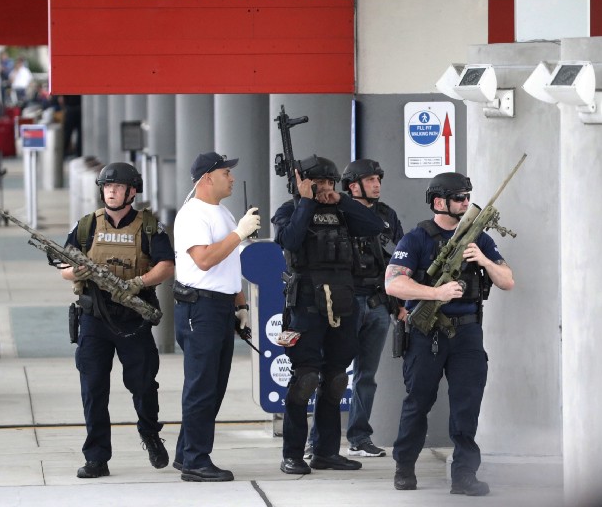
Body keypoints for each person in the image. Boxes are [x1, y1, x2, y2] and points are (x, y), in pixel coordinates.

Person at [384, 171, 514, 496]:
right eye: (459, 198)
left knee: (466, 406)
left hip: (468, 335)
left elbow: (507, 280)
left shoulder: (478, 238)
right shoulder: (417, 238)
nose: (466, 203)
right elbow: (393, 282)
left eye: (468, 197)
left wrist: (483, 259)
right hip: (427, 335)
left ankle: (464, 476)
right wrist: (435, 294)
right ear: (439, 201)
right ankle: (404, 467)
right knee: (418, 402)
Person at [60, 162, 175, 479]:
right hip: (94, 319)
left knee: (143, 385)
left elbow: (167, 265)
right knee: (93, 389)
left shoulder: (149, 227)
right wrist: (77, 272)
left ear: (132, 191)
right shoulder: (86, 226)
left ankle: (150, 433)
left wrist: (138, 284)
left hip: (132, 318)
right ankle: (96, 457)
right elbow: (63, 265)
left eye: (118, 186)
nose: (110, 191)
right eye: (107, 186)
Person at [272, 155, 384, 475]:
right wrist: (306, 202)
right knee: (305, 379)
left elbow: (375, 225)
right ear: (303, 183)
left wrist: (342, 200)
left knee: (335, 379)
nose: (325, 188)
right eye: (319, 183)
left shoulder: (343, 211)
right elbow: (290, 240)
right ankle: (293, 454)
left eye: (330, 182)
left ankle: (326, 452)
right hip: (306, 304)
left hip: (343, 302)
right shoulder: (290, 211)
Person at [304, 158, 404, 459]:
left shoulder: (387, 215)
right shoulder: (337, 211)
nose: (377, 184)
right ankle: (316, 440)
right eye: (371, 179)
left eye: (378, 179)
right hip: (344, 302)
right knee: (330, 373)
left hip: (378, 302)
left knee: (366, 375)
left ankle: (359, 437)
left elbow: (399, 261)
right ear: (353, 185)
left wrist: (400, 304)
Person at [172, 151, 261, 482]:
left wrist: (240, 303)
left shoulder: (221, 212)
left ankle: (186, 453)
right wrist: (238, 234)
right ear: (207, 178)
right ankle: (196, 459)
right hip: (201, 308)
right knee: (202, 385)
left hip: (219, 306)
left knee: (213, 384)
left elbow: (229, 264)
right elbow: (205, 260)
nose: (232, 178)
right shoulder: (193, 215)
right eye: (226, 172)